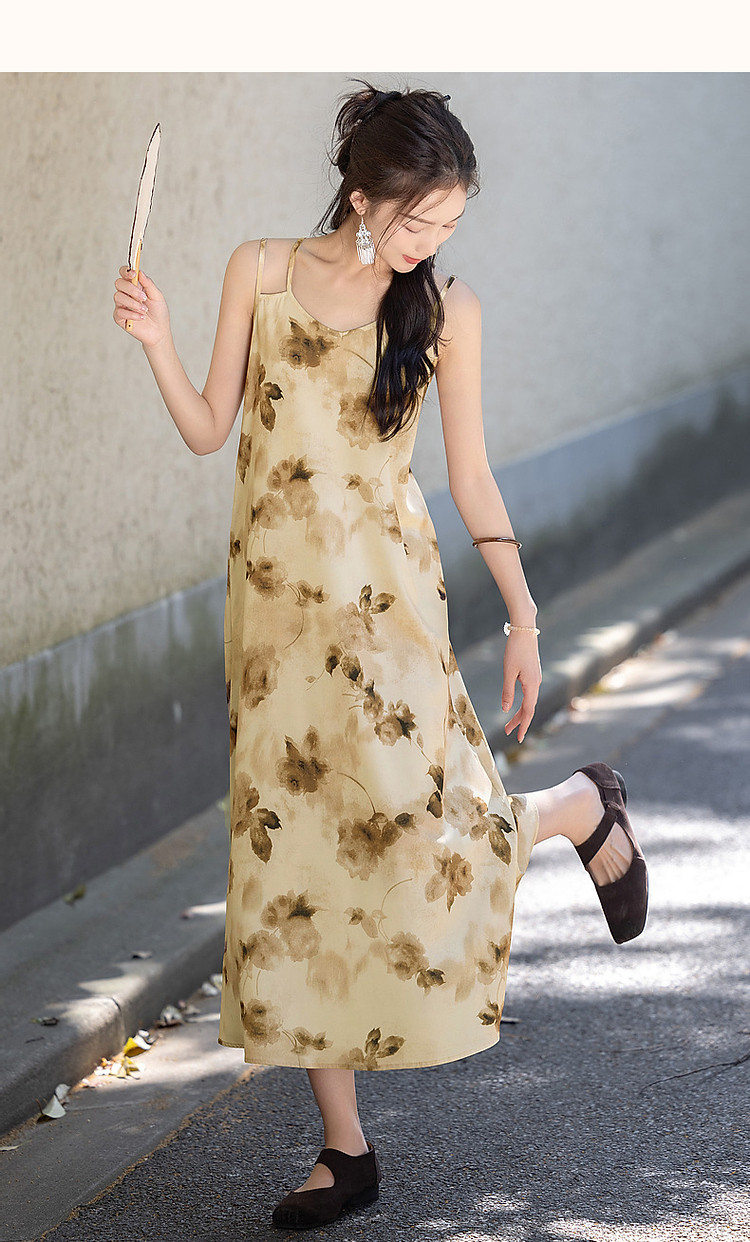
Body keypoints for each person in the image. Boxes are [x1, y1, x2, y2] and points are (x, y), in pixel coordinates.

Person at [113, 79, 648, 1232]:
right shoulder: (261, 272)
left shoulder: (446, 310)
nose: (432, 243)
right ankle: (344, 1150)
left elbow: (471, 476)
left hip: (387, 611)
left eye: (450, 223)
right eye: (419, 220)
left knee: (416, 832)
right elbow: (210, 430)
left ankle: (571, 809)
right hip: (274, 625)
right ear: (362, 196)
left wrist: (524, 615)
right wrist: (156, 342)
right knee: (300, 865)